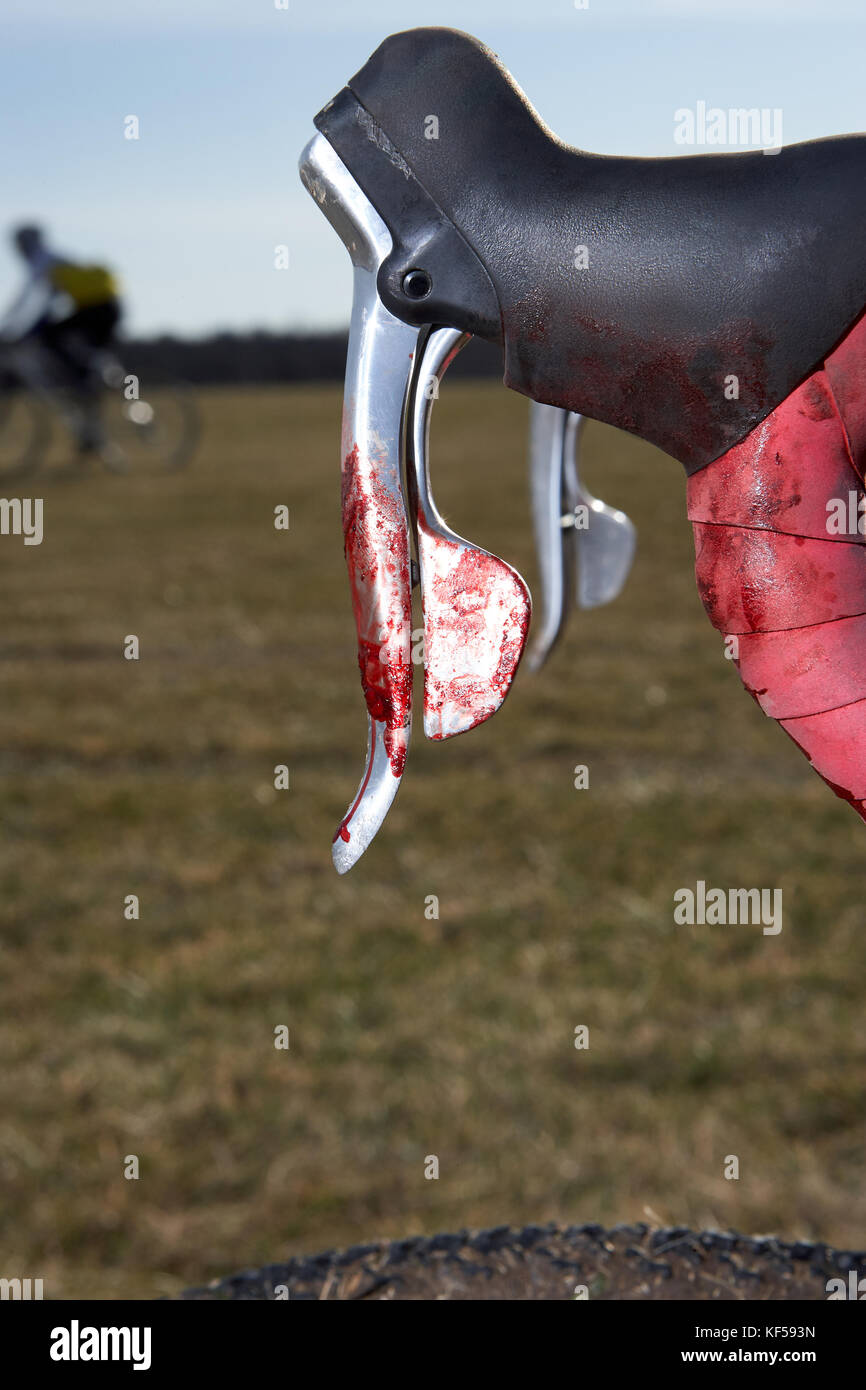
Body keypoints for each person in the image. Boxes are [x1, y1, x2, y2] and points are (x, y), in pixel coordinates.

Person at [0, 225, 123, 455]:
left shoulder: (42, 260)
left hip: (98, 309)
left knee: (50, 338)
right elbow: (41, 303)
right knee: (53, 337)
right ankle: (89, 425)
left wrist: (7, 326)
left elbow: (26, 298)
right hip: (103, 307)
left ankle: (80, 381)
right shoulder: (51, 259)